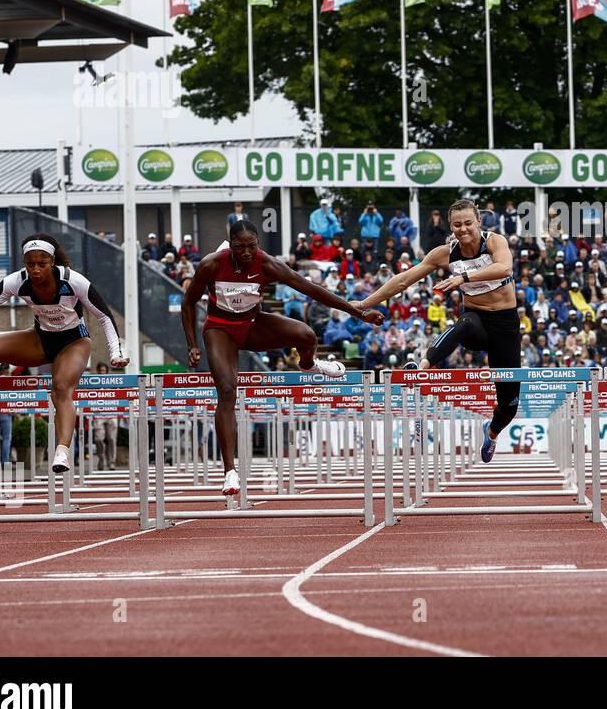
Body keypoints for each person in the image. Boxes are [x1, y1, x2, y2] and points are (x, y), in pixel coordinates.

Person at [181, 220, 384, 496]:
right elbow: (188, 302)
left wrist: (358, 312)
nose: (247, 252)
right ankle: (230, 472)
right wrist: (192, 344)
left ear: (258, 244)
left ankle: (309, 364)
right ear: (230, 246)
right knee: (227, 391)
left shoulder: (267, 264)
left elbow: (311, 290)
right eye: (240, 247)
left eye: (252, 246)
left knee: (307, 335)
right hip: (219, 329)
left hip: (253, 325)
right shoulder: (211, 264)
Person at [0, 233, 127, 474]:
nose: (36, 270)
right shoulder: (17, 281)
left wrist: (115, 352)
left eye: (42, 264)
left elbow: (104, 316)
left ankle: (62, 451)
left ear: (52, 262)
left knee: (60, 388)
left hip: (74, 342)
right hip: (41, 340)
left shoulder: (73, 281)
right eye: (30, 264)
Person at [354, 199, 522, 464]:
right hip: (476, 320)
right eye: (457, 225)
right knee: (463, 324)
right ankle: (421, 367)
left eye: (468, 223)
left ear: (479, 221)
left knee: (510, 406)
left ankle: (491, 432)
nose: (463, 229)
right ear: (450, 226)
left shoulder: (494, 242)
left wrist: (463, 278)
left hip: (506, 325)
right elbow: (403, 280)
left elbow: (504, 267)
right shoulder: (444, 254)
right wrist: (363, 305)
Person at [91, 361, 120, 471]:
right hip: (99, 413)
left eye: (104, 371)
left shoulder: (112, 383)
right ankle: (101, 458)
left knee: (112, 439)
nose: (102, 373)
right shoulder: (93, 383)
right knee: (98, 438)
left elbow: (119, 395)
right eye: (100, 371)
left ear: (107, 372)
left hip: (112, 412)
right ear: (98, 372)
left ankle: (111, 462)